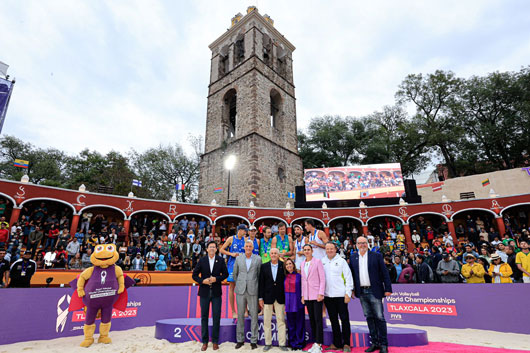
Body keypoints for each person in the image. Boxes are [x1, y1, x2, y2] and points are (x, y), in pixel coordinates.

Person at [350, 236, 392, 353]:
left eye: (364, 243)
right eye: (360, 243)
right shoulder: (353, 257)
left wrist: (388, 288)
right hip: (361, 291)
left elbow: (385, 273)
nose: (362, 245)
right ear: (356, 245)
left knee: (379, 317)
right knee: (369, 317)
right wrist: (352, 289)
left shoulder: (376, 256)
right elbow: (352, 275)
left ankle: (384, 344)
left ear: (367, 244)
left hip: (375, 290)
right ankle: (375, 343)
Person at [192, 241, 229, 351]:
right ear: (207, 249)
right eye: (210, 247)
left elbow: (225, 274)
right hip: (204, 292)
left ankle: (215, 341)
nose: (212, 248)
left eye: (214, 247)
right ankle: (204, 341)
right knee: (204, 317)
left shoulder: (221, 260)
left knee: (216, 317)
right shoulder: (202, 260)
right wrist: (202, 281)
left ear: (216, 249)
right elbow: (194, 275)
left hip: (217, 292)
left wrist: (216, 279)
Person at [322, 242, 353, 352]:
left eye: (331, 248)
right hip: (328, 296)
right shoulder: (323, 261)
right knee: (333, 320)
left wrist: (348, 293)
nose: (329, 250)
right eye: (327, 249)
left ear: (336, 249)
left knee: (344, 319)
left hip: (341, 295)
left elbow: (348, 278)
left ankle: (346, 344)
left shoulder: (341, 261)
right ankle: (337, 343)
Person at [233, 240, 261, 350]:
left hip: (253, 290)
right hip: (240, 290)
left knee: (254, 315)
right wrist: (240, 283)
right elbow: (235, 274)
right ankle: (240, 340)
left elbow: (258, 275)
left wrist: (254, 284)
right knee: (240, 315)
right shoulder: (238, 258)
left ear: (252, 248)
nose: (248, 248)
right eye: (247, 246)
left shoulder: (258, 259)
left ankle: (253, 341)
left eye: (250, 246)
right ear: (244, 247)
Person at [259, 248, 287, 351]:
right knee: (266, 321)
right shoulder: (264, 266)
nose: (274, 255)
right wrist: (260, 298)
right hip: (267, 297)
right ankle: (268, 343)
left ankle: (282, 344)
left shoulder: (283, 265)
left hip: (280, 297)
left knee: (281, 321)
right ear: (269, 255)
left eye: (276, 253)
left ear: (278, 254)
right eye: (272, 253)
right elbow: (261, 283)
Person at [301, 244, 325, 353]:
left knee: (318, 319)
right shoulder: (302, 264)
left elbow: (322, 278)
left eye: (308, 250)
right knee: (311, 319)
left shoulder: (317, 262)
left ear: (312, 251)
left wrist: (321, 293)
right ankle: (315, 342)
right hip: (307, 296)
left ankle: (319, 343)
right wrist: (303, 296)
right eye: (305, 250)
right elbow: (303, 281)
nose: (306, 251)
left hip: (317, 295)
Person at [220, 224, 247, 318]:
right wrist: (231, 253)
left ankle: (243, 310)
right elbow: (221, 249)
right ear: (239, 230)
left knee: (243, 288)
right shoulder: (231, 239)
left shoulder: (246, 240)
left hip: (243, 266)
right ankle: (233, 311)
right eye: (244, 231)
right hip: (232, 265)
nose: (245, 232)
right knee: (232, 287)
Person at [284, 258, 305, 351]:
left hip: (298, 302)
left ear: (293, 265)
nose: (289, 265)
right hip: (288, 304)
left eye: (290, 264)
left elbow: (303, 288)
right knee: (291, 324)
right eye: (287, 264)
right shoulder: (284, 277)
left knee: (299, 323)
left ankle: (300, 342)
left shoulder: (299, 276)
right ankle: (292, 343)